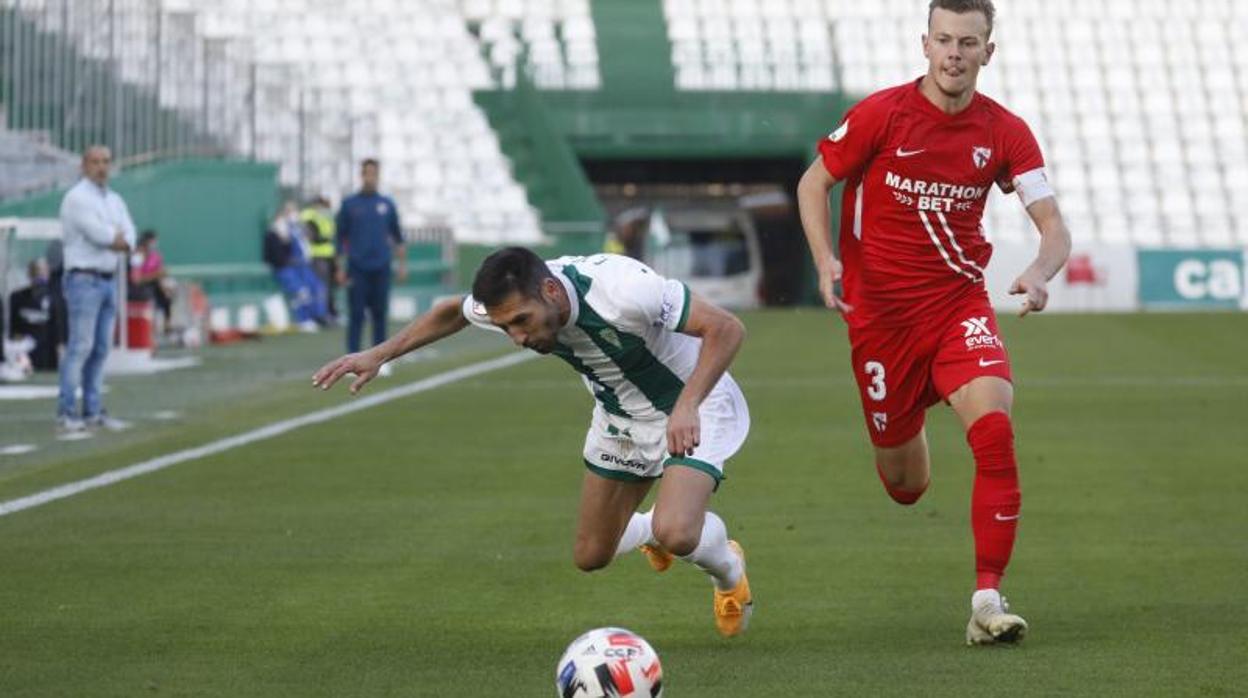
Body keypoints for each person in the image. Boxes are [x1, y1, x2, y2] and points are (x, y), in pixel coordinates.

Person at [795, 0, 1071, 645]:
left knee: (995, 432)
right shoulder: (880, 114)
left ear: (987, 52)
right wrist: (825, 260)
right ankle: (912, 415)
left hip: (957, 307)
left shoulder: (1005, 132)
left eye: (967, 43)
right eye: (944, 40)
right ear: (925, 44)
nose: (954, 53)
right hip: (881, 323)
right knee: (905, 486)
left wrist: (1038, 272)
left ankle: (986, 599)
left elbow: (1053, 226)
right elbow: (814, 185)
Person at [312, 248, 755, 637]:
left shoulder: (622, 289)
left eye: (522, 322)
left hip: (694, 402)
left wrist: (688, 404)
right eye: (506, 328)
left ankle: (728, 573)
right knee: (591, 555)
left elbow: (726, 328)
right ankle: (651, 531)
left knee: (677, 532)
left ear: (551, 291)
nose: (518, 339)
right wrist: (377, 354)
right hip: (619, 416)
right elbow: (452, 311)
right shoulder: (515, 300)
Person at [56, 145, 136, 433]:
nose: (102, 167)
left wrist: (121, 239)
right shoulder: (77, 198)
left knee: (101, 348)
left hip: (107, 278)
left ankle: (92, 410)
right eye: (95, 162)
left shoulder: (114, 199)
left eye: (106, 161)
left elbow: (130, 233)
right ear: (84, 165)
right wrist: (117, 238)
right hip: (84, 279)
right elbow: (101, 235)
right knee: (80, 346)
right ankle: (66, 411)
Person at [335, 159, 407, 356]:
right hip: (357, 267)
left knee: (380, 314)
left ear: (378, 176)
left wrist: (401, 265)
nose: (370, 177)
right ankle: (351, 356)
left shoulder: (386, 204)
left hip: (382, 266)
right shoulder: (349, 204)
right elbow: (340, 238)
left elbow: (398, 236)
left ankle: (379, 358)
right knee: (356, 314)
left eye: (373, 174)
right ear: (361, 175)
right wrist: (340, 268)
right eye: (367, 173)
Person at [263, 203, 328, 331]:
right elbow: (277, 253)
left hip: (304, 265)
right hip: (290, 267)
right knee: (301, 292)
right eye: (289, 212)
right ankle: (303, 320)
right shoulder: (277, 231)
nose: (293, 214)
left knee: (317, 289)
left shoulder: (297, 228)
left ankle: (318, 317)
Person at [9, 258, 62, 371]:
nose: (40, 274)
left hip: (47, 355)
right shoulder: (17, 297)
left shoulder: (55, 299)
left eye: (43, 271)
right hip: (23, 353)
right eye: (36, 271)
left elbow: (57, 330)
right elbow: (12, 328)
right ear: (29, 273)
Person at [128, 230, 175, 336]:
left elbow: (160, 273)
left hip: (153, 285)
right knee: (150, 297)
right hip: (137, 289)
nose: (154, 244)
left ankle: (167, 326)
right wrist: (155, 275)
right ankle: (149, 332)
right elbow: (136, 280)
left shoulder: (156, 256)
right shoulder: (137, 256)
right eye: (152, 241)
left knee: (166, 296)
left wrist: (164, 284)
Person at [301, 196, 339, 322]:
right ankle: (320, 315)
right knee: (320, 286)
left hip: (328, 254)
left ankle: (329, 312)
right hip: (317, 255)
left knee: (328, 285)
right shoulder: (309, 216)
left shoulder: (324, 217)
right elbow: (311, 236)